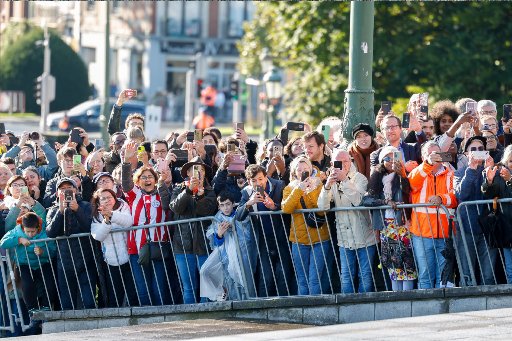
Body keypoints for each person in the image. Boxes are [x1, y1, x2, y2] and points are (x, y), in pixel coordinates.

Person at [318, 150, 377, 293]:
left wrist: (344, 180)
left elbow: (357, 201)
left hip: (364, 236)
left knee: (365, 276)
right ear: (332, 164)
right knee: (346, 276)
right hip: (344, 238)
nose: (342, 165)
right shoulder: (331, 180)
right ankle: (347, 310)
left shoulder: (360, 178)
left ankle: (365, 309)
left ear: (350, 162)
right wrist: (326, 187)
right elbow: (322, 207)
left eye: (345, 161)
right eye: (338, 162)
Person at [121, 141, 170, 306]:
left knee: (159, 286)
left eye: (150, 177)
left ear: (155, 180)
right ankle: (145, 318)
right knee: (143, 288)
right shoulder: (134, 194)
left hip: (159, 245)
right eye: (143, 177)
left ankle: (161, 315)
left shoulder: (161, 194)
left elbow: (166, 205)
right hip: (136, 248)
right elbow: (126, 183)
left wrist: (162, 181)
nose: (147, 180)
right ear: (138, 181)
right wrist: (127, 163)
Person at [363, 146, 417, 291]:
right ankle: (395, 295)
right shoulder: (377, 176)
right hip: (386, 226)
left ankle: (408, 295)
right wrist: (385, 202)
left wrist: (403, 175)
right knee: (393, 264)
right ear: (382, 161)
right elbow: (367, 199)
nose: (391, 161)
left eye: (395, 157)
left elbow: (409, 194)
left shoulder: (404, 175)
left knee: (407, 264)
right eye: (387, 158)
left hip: (403, 225)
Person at [164, 156, 217, 304]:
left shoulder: (210, 191)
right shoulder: (178, 188)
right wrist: (188, 191)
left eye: (201, 169)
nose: (197, 172)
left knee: (205, 285)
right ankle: (190, 317)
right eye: (194, 169)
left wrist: (200, 196)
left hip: (203, 245)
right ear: (187, 173)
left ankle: (206, 314)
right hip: (182, 244)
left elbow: (207, 211)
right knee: (188, 287)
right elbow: (175, 207)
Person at [235, 164, 293, 297]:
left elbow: (288, 209)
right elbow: (238, 216)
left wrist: (274, 206)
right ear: (249, 181)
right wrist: (249, 203)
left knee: (283, 272)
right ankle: (264, 305)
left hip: (281, 236)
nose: (258, 183)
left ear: (266, 177)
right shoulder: (246, 192)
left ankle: (285, 304)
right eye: (254, 180)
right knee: (266, 275)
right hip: (262, 239)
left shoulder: (279, 185)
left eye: (260, 179)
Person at [408, 141, 457, 289]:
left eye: (436, 153)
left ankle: (442, 311)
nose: (434, 157)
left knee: (442, 278)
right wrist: (428, 163)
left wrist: (441, 199)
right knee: (425, 276)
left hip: (444, 234)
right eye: (429, 154)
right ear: (423, 157)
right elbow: (412, 183)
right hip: (422, 234)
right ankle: (426, 311)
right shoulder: (418, 172)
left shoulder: (451, 173)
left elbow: (455, 197)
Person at [46, 177, 97, 310]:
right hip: (64, 261)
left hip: (86, 258)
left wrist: (77, 209)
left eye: (69, 188)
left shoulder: (85, 205)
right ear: (57, 193)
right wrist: (60, 212)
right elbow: (50, 232)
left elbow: (90, 228)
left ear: (76, 190)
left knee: (89, 299)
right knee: (67, 301)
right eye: (62, 189)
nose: (66, 191)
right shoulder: (53, 210)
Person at [282, 156, 329, 295]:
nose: (303, 171)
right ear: (294, 172)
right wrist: (299, 189)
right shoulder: (289, 188)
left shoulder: (319, 185)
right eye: (299, 169)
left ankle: (315, 311)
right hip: (299, 239)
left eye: (306, 168)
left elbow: (320, 208)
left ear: (311, 169)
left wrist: (311, 190)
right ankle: (303, 311)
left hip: (320, 237)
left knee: (315, 279)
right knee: (302, 280)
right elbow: (286, 208)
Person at [454, 136, 497, 286]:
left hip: (488, 228)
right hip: (467, 228)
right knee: (467, 274)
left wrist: (490, 176)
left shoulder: (491, 170)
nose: (477, 152)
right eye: (473, 149)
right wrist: (471, 169)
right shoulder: (459, 173)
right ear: (466, 154)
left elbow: (493, 195)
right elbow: (461, 194)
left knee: (488, 274)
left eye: (481, 149)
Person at [204, 191, 257, 300]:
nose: (226, 208)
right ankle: (221, 298)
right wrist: (219, 234)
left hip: (242, 253)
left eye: (228, 204)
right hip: (226, 255)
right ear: (219, 207)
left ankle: (248, 303)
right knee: (205, 271)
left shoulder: (241, 215)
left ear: (233, 204)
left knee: (244, 279)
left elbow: (246, 235)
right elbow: (216, 243)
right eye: (222, 205)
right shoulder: (217, 219)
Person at [0, 212, 56, 312]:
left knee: (50, 283)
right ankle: (32, 309)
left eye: (33, 232)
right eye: (27, 231)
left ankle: (46, 306)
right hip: (24, 264)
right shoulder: (16, 231)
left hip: (42, 263)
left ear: (38, 227)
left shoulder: (45, 231)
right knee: (27, 285)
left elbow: (53, 249)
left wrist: (43, 252)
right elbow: (3, 243)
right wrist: (19, 240)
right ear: (22, 227)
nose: (30, 234)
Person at [90, 188, 138, 307]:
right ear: (98, 202)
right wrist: (106, 221)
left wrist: (111, 215)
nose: (107, 200)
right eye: (103, 198)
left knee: (133, 291)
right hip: (110, 260)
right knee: (115, 293)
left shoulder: (123, 206)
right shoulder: (96, 217)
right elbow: (98, 236)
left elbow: (129, 221)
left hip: (130, 256)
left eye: (110, 197)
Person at [481, 144, 512, 284]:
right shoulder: (500, 173)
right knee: (510, 267)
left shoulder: (506, 176)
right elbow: (489, 194)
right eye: (510, 161)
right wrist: (489, 181)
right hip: (506, 226)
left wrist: (510, 181)